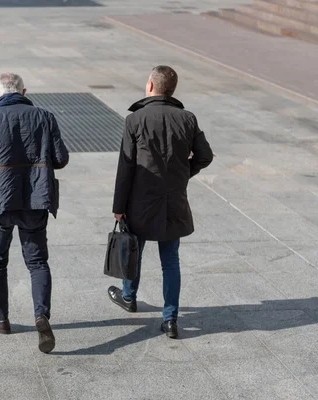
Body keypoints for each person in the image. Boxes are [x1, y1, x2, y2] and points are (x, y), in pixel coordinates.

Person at [0, 73, 69, 353]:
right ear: (24, 91)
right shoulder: (45, 116)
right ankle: (41, 315)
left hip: (0, 201)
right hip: (35, 199)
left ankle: (2, 318)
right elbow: (60, 159)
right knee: (37, 263)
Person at [109, 65, 213, 339]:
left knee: (134, 249)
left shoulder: (135, 119)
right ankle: (170, 320)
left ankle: (129, 296)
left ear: (151, 87)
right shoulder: (187, 118)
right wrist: (181, 174)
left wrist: (118, 206)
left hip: (140, 200)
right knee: (171, 261)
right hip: (173, 200)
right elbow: (205, 156)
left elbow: (126, 166)